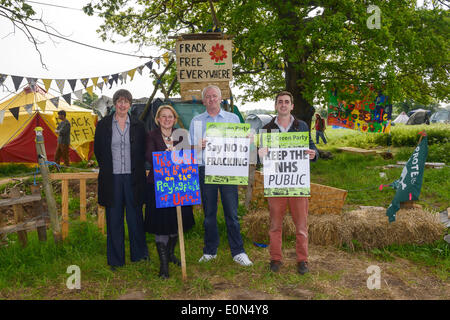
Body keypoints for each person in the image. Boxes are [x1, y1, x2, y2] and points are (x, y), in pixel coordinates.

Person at [189, 85, 253, 266]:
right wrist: (198, 146)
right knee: (209, 212)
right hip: (205, 169)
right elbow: (191, 149)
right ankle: (210, 251)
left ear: (220, 98)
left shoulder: (233, 118)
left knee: (231, 212)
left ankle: (238, 251)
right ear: (204, 101)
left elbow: (242, 144)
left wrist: (248, 139)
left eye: (214, 96)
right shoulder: (196, 121)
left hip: (228, 170)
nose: (211, 99)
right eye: (207, 97)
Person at [259, 91, 318, 275]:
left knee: (301, 225)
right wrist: (260, 154)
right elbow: (262, 159)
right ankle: (275, 259)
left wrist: (314, 154)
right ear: (276, 106)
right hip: (276, 184)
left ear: (292, 106)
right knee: (275, 225)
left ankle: (303, 260)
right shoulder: (267, 128)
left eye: (286, 102)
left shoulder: (301, 126)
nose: (283, 105)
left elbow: (312, 147)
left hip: (297, 184)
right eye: (280, 102)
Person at [94, 89, 149, 271]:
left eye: (126, 102)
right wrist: (110, 168)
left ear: (130, 105)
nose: (123, 105)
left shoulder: (139, 125)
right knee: (114, 219)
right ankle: (116, 260)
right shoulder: (103, 125)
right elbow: (98, 151)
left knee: (135, 218)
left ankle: (139, 255)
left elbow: (143, 152)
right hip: (113, 179)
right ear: (114, 104)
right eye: (119, 101)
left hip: (134, 178)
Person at [144, 105, 195, 279]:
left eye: (170, 116)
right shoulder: (151, 136)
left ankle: (172, 253)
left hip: (179, 185)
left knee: (175, 223)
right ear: (158, 119)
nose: (167, 119)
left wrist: (182, 152)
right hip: (158, 186)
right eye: (163, 116)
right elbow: (150, 157)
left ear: (174, 119)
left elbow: (188, 158)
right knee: (161, 225)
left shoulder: (182, 134)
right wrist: (167, 155)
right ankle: (164, 266)